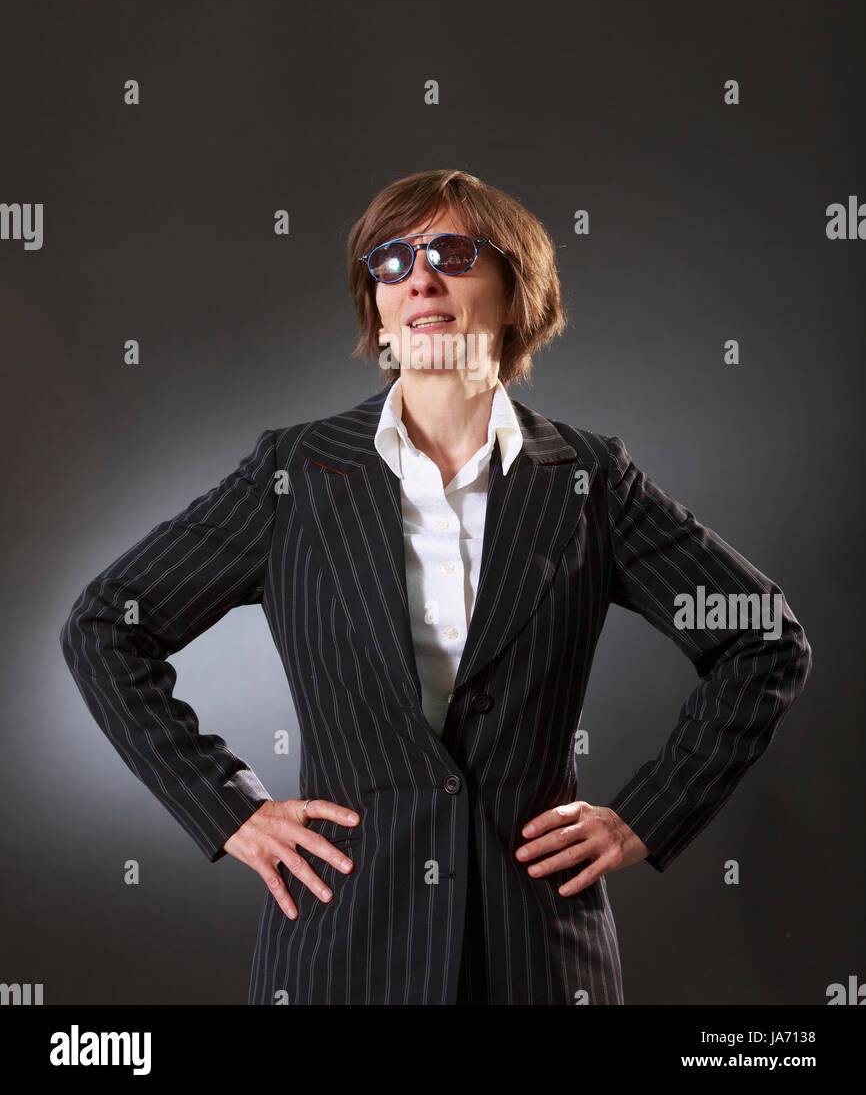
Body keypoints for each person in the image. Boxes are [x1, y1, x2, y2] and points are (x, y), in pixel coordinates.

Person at [60, 168, 812, 1005]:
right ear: (376, 302)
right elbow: (105, 625)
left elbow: (762, 637)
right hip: (341, 944)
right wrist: (227, 809)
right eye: (391, 261)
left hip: (535, 949)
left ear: (517, 287)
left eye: (453, 252)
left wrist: (647, 814)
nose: (419, 278)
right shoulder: (296, 473)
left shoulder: (590, 481)